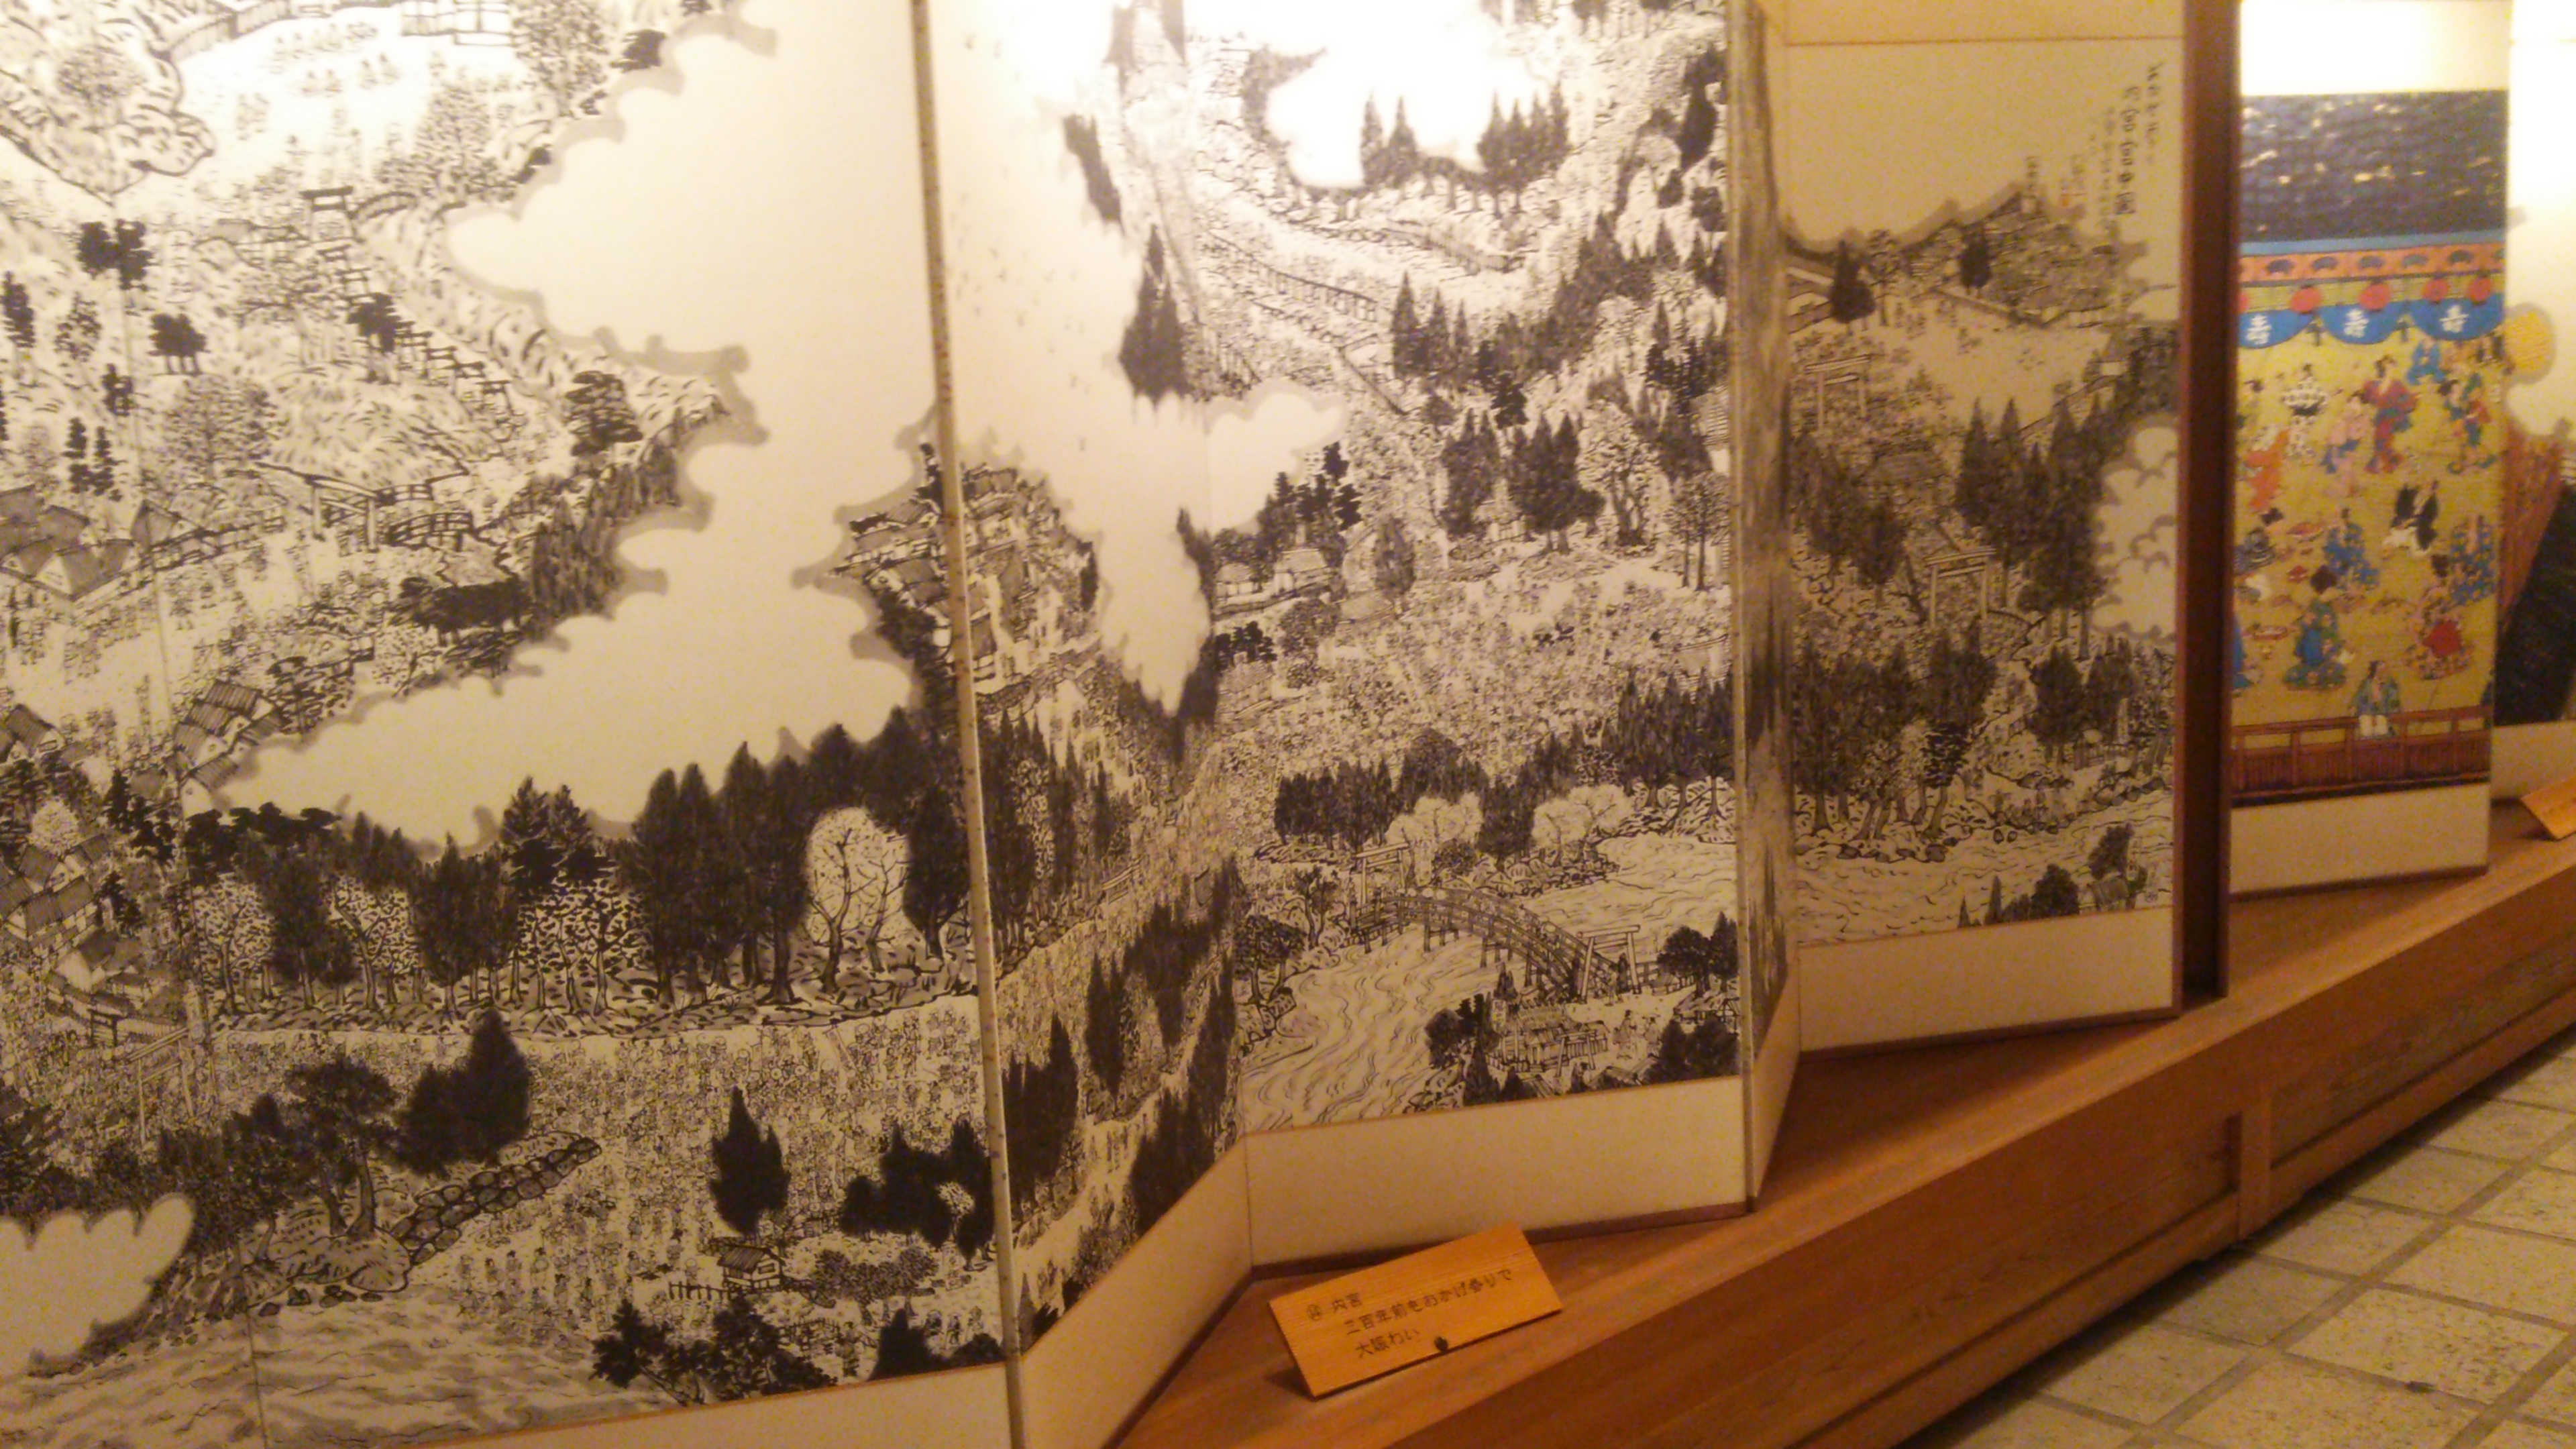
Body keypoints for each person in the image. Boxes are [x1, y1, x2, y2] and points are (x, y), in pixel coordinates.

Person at [2286, 568, 2348, 690]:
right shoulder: (2318, 606)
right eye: (2333, 589)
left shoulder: (2323, 605)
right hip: (2316, 645)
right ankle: (2317, 673)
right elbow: (2325, 629)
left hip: (2318, 643)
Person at [2352, 660, 2400, 738]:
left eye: (2384, 670)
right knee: (2366, 730)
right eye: (2380, 671)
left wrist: (2382, 712)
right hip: (2366, 714)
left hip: (2384, 714)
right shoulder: (2366, 684)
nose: (2382, 673)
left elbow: (2394, 701)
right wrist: (2370, 713)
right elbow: (2359, 699)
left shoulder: (2390, 684)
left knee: (2382, 729)